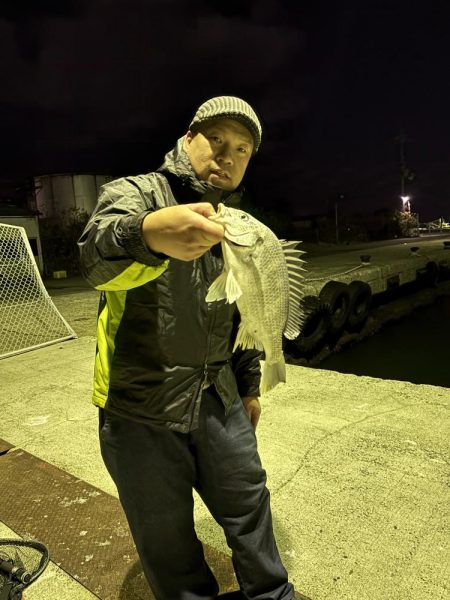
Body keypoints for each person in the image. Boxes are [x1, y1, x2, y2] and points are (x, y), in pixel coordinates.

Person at [78, 96, 296, 600]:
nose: (227, 155)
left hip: (219, 396)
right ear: (187, 139)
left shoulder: (233, 222)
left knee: (249, 507)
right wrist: (147, 234)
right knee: (165, 536)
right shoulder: (134, 192)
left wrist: (248, 385)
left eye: (242, 149)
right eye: (216, 140)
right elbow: (93, 256)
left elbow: (242, 312)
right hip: (138, 405)